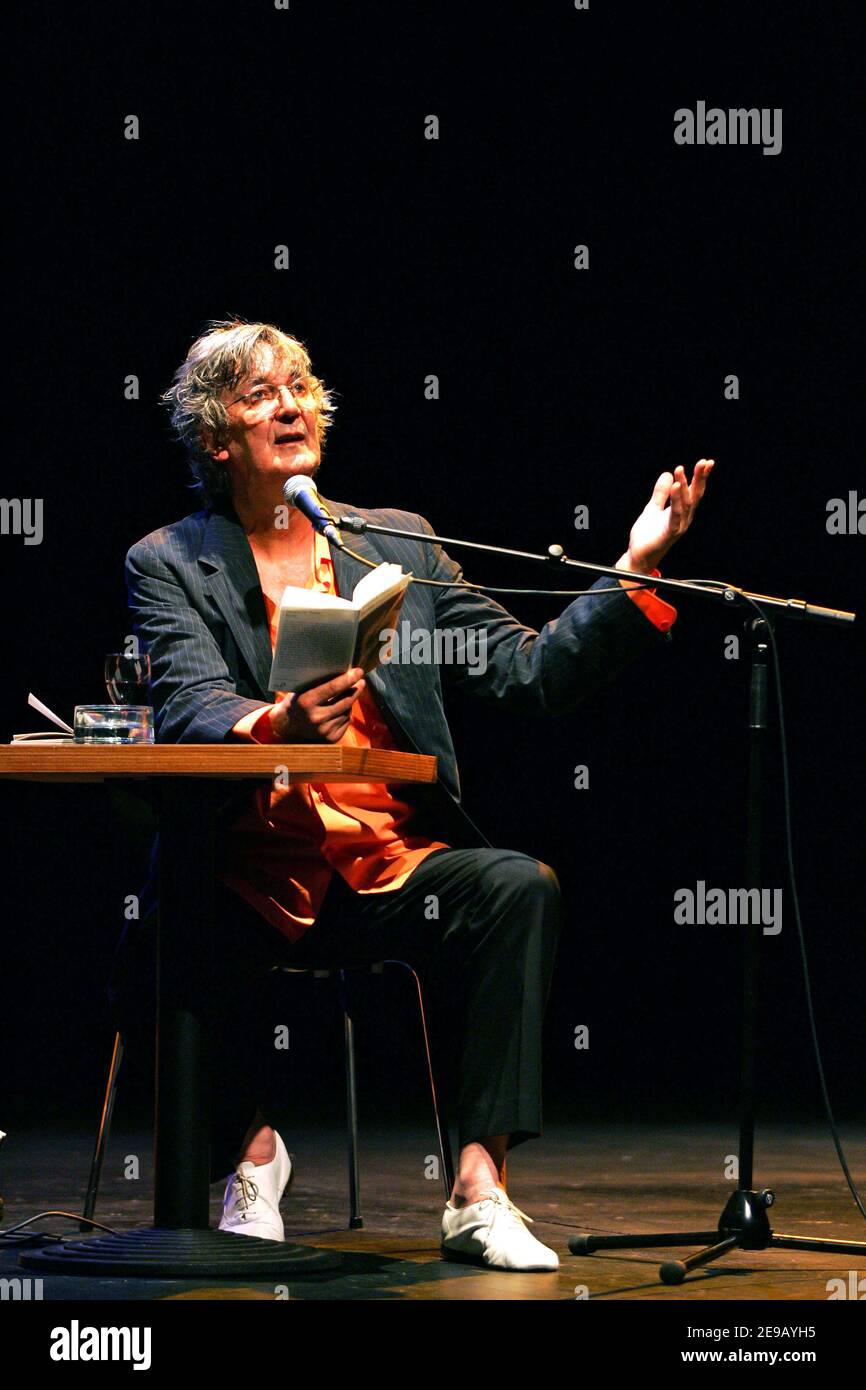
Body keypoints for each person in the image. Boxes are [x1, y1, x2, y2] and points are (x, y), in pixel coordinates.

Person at [111, 317, 713, 1272]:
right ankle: (251, 1155)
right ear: (216, 437)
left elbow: (528, 672)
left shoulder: (395, 542)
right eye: (261, 393)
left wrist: (634, 570)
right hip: (253, 873)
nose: (292, 404)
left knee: (516, 886)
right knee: (155, 923)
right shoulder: (170, 561)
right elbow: (189, 703)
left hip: (391, 869)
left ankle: (479, 1188)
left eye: (302, 387)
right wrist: (277, 728)